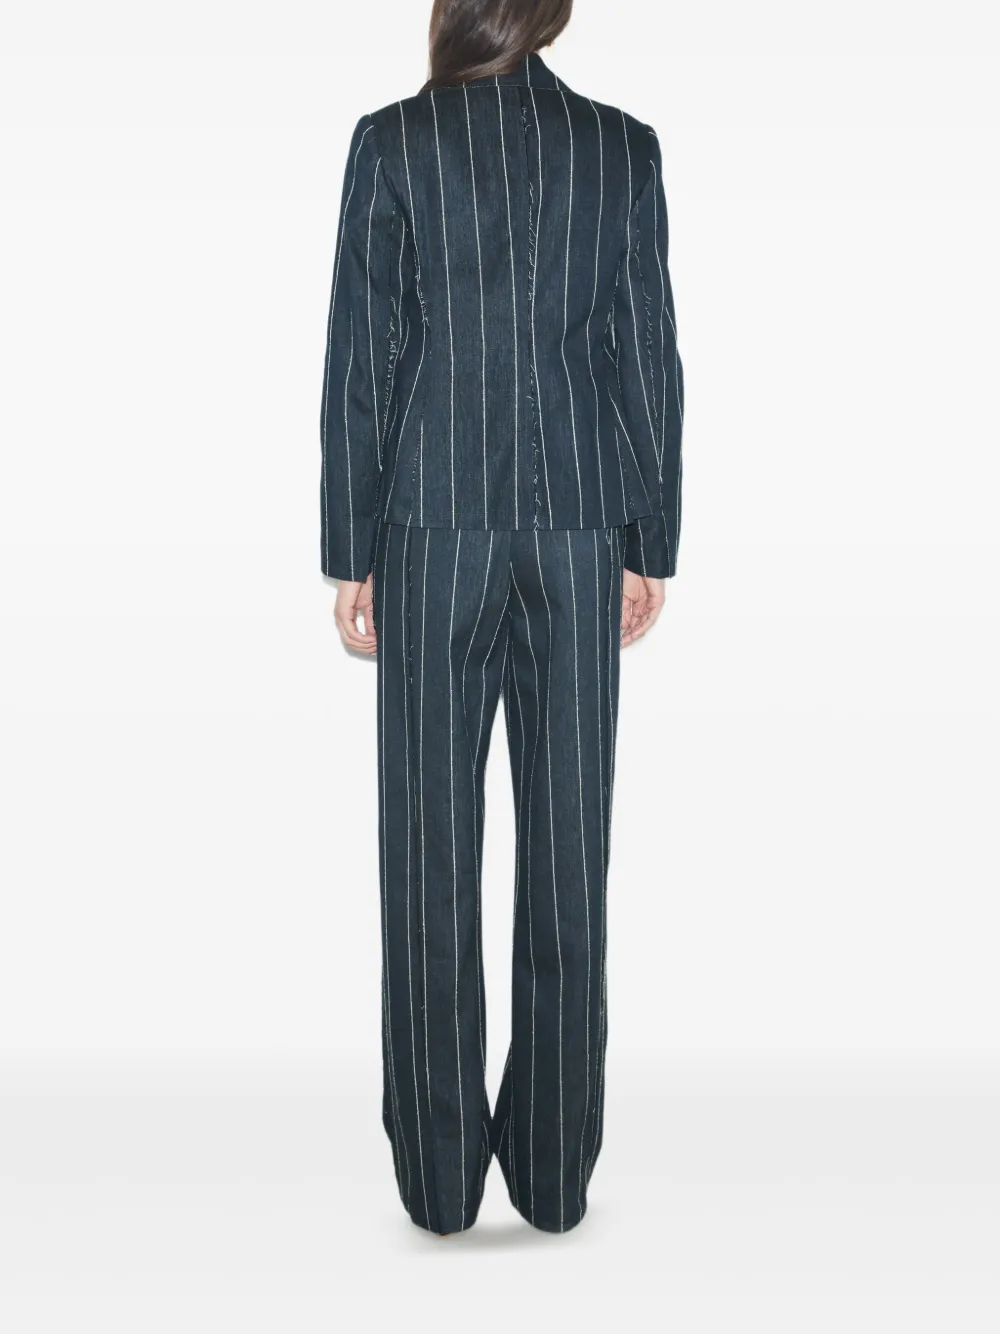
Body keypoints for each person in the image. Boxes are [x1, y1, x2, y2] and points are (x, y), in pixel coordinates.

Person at [320, 0, 683, 1235]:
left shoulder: (394, 141)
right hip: (581, 532)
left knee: (426, 856)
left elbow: (364, 356)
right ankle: (553, 1172)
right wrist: (648, 540)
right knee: (570, 854)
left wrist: (351, 548)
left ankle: (436, 1180)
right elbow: (647, 357)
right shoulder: (620, 147)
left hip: (430, 533)